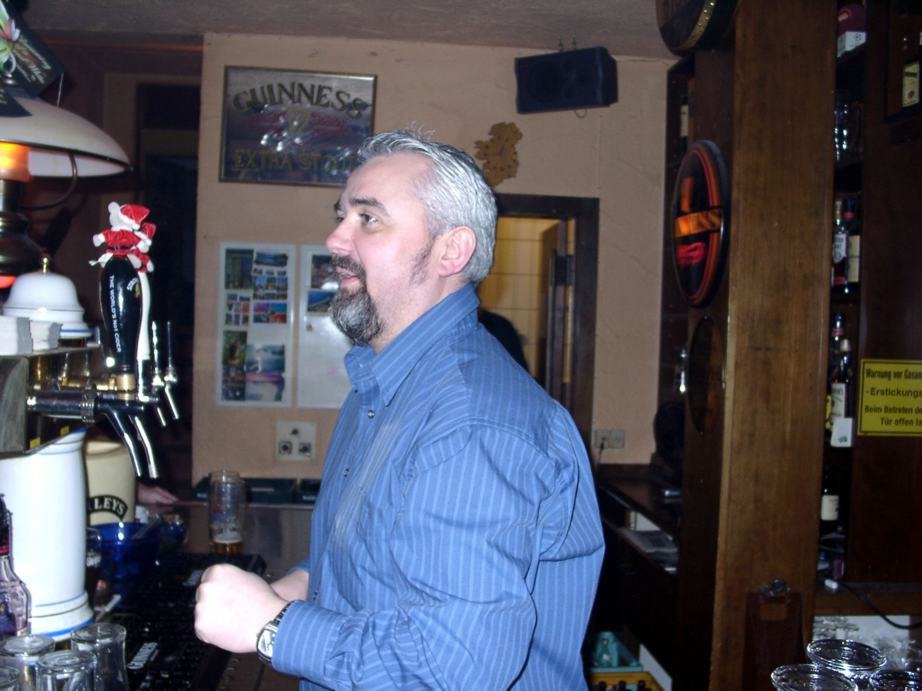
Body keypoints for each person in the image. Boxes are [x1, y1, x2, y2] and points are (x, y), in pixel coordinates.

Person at [194, 129, 604, 689]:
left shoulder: (470, 423)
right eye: (341, 215)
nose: (335, 238)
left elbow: (451, 667)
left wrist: (272, 626)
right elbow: (379, 559)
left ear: (450, 250)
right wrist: (303, 587)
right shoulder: (382, 383)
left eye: (368, 218)